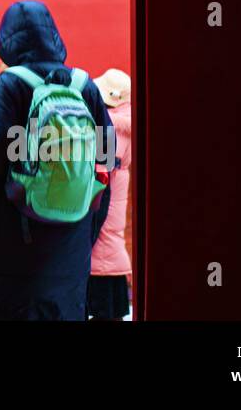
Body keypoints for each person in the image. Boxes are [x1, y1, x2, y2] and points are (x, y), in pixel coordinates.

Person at [0, 0, 114, 321]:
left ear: (6, 40)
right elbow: (107, 155)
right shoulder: (84, 84)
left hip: (15, 241)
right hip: (71, 247)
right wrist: (86, 223)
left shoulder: (11, 84)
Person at [88, 68, 132, 320]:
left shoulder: (111, 126)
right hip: (115, 191)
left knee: (103, 239)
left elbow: (101, 165)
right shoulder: (121, 122)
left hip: (102, 264)